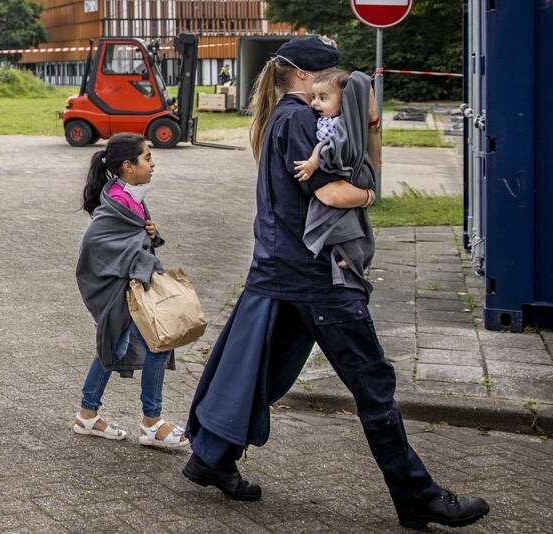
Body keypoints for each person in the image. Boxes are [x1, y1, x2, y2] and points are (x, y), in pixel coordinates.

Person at [182, 36, 490, 530]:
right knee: (372, 383)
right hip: (317, 275)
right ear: (305, 78)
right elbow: (338, 191)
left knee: (260, 370)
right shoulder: (303, 120)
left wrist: (369, 124)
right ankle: (417, 496)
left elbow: (363, 166)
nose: (337, 84)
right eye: (330, 76)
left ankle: (211, 457)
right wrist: (368, 196)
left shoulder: (285, 117)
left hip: (280, 269)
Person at [72, 132, 190, 450]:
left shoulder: (127, 196)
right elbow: (98, 246)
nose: (153, 164)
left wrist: (149, 233)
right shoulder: (117, 204)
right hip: (119, 292)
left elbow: (132, 239)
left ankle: (87, 414)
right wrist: (140, 247)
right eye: (147, 158)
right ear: (128, 166)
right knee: (157, 346)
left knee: (114, 346)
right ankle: (152, 423)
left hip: (130, 289)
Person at [292, 69, 376, 294]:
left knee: (344, 219)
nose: (315, 104)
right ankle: (349, 255)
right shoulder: (330, 121)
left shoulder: (342, 127)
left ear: (344, 101)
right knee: (347, 219)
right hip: (351, 182)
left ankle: (352, 256)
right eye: (314, 98)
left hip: (350, 177)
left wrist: (312, 163)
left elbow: (328, 148)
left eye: (323, 98)